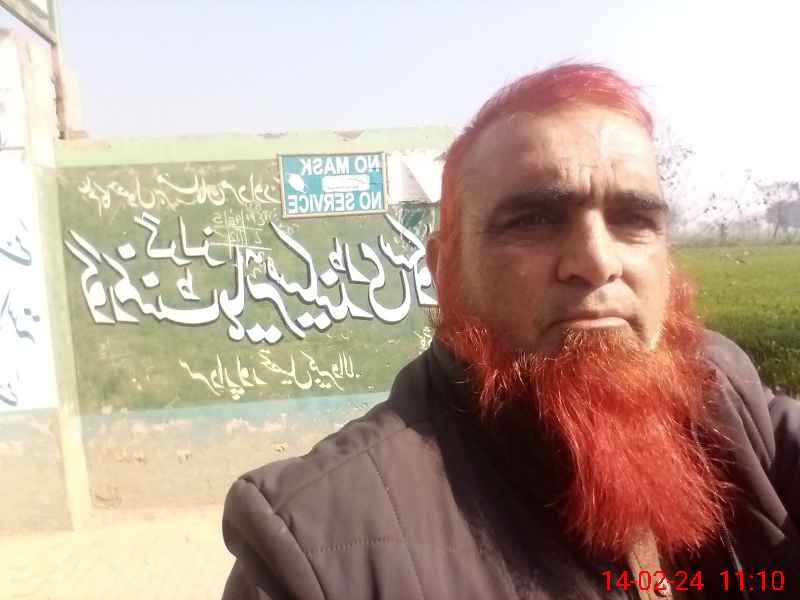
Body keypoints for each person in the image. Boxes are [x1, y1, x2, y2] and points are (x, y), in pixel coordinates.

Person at [221, 64, 800, 599]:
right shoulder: (315, 551)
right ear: (444, 269)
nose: (598, 261)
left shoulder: (720, 395)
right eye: (534, 220)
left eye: (633, 219)